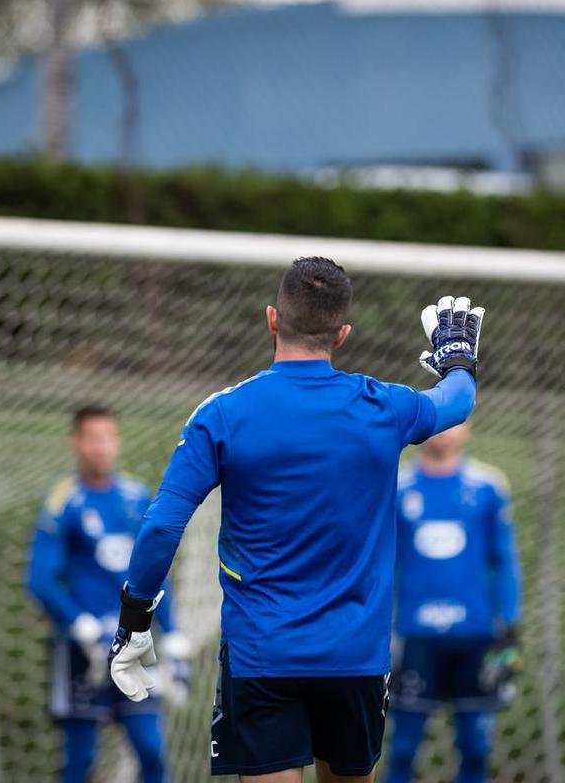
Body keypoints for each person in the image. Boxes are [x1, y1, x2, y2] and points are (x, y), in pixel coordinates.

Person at [108, 256, 485, 782]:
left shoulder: (223, 413)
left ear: (272, 318)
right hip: (355, 657)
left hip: (262, 655)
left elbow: (162, 525)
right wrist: (458, 360)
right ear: (343, 334)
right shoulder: (384, 407)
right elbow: (457, 401)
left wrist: (134, 622)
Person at [26, 405, 191, 783]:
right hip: (84, 653)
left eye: (107, 438)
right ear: (75, 442)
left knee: (151, 750)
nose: (100, 447)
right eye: (91, 438)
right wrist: (79, 625)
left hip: (134, 645)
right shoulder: (62, 501)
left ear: (117, 442)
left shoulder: (137, 496)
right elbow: (40, 579)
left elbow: (155, 573)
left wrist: (173, 635)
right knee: (80, 759)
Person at [385, 423, 523, 783]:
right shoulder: (397, 487)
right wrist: (381, 630)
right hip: (414, 636)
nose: (445, 431)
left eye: (455, 422)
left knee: (476, 748)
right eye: (439, 421)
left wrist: (509, 626)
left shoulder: (488, 487)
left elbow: (504, 560)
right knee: (402, 749)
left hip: (476, 635)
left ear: (468, 429)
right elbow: (382, 565)